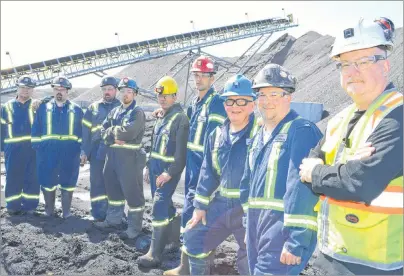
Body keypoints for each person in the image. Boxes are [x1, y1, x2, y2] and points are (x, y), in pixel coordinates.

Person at [299, 17, 403, 276]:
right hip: (330, 256)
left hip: (378, 265)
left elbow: (360, 183)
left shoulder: (397, 117)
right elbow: (305, 168)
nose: (352, 71)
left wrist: (321, 172)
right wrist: (344, 171)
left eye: (363, 61)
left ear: (386, 65)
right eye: (345, 64)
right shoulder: (339, 119)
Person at [240, 64, 322, 275]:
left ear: (288, 96)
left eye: (274, 94)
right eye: (261, 94)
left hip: (282, 230)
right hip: (257, 226)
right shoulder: (259, 134)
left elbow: (302, 189)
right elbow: (247, 182)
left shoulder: (301, 131)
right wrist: (247, 225)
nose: (266, 101)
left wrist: (296, 240)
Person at [183, 74, 259, 275]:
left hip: (249, 207)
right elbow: (208, 173)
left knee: (251, 256)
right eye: (230, 100)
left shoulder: (261, 133)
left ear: (252, 104)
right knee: (194, 238)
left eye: (242, 101)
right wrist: (200, 207)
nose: (235, 106)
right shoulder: (216, 135)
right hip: (222, 203)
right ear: (224, 103)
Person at [163, 56, 227, 275]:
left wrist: (208, 176)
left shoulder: (216, 102)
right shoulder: (194, 103)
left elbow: (214, 141)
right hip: (192, 168)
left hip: (204, 170)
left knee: (199, 219)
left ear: (212, 77)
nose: (198, 79)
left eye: (203, 75)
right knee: (189, 215)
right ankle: (185, 266)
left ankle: (196, 268)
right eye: (196, 75)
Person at [138, 76, 189, 268]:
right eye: (160, 96)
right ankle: (172, 241)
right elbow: (155, 145)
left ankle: (155, 253)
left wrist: (169, 173)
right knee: (164, 205)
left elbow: (181, 154)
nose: (162, 99)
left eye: (167, 96)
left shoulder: (180, 119)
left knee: (158, 205)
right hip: (155, 169)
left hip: (168, 171)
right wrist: (148, 165)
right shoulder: (161, 117)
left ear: (175, 96)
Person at [94, 77, 147, 241]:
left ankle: (134, 227)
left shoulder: (137, 112)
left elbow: (129, 132)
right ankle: (113, 220)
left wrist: (111, 131)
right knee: (113, 190)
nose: (125, 94)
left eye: (129, 92)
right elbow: (102, 131)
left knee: (133, 194)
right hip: (112, 158)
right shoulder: (115, 111)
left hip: (129, 159)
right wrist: (111, 135)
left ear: (135, 94)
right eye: (123, 91)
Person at [31, 76, 83, 218]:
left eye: (62, 89)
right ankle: (49, 211)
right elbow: (36, 128)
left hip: (70, 152)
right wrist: (37, 147)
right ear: (53, 90)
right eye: (56, 89)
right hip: (47, 153)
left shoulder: (76, 109)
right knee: (47, 180)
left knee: (68, 181)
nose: (59, 92)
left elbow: (81, 131)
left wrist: (81, 151)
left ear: (67, 91)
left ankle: (66, 212)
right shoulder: (42, 107)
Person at [81, 76, 121, 221]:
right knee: (97, 182)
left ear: (116, 90)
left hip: (115, 150)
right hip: (97, 150)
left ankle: (115, 215)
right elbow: (85, 131)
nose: (107, 92)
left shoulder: (122, 108)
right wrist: (84, 151)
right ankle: (97, 214)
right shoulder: (93, 107)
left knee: (114, 183)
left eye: (110, 89)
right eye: (104, 89)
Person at [1, 75, 39, 214]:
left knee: (32, 177)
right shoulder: (6, 107)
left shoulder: (37, 106)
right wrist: (1, 149)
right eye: (23, 87)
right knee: (12, 177)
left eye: (29, 88)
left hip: (33, 148)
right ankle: (13, 206)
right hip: (13, 148)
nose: (26, 91)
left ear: (33, 90)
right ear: (17, 88)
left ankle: (30, 207)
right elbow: (1, 129)